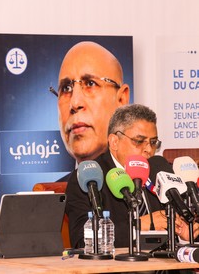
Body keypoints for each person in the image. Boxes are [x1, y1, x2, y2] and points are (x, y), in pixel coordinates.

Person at [65, 104, 199, 249]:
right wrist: (139, 225)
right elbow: (82, 241)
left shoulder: (159, 169)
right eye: (139, 141)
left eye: (153, 142)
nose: (148, 150)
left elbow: (185, 222)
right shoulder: (90, 178)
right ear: (114, 141)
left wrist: (186, 234)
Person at [52, 41, 130, 172]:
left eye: (90, 84)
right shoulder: (49, 190)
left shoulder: (152, 189)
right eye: (66, 88)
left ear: (121, 99)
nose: (75, 103)